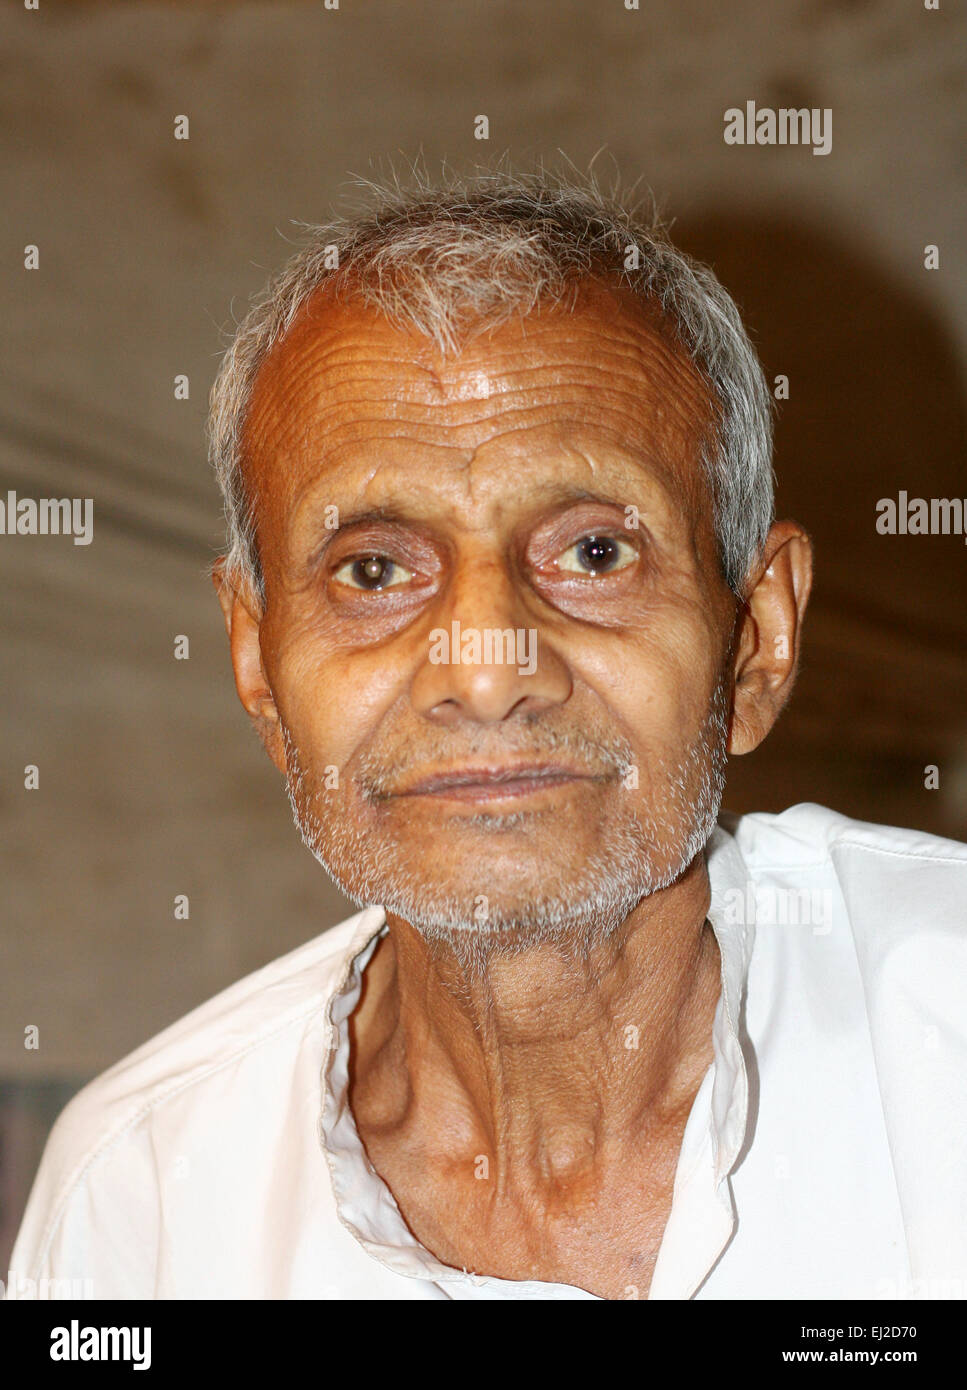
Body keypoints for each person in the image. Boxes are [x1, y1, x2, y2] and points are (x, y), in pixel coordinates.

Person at [9, 165, 967, 1300]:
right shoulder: (145, 1206)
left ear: (756, 638)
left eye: (593, 553)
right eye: (373, 571)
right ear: (256, 665)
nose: (486, 673)